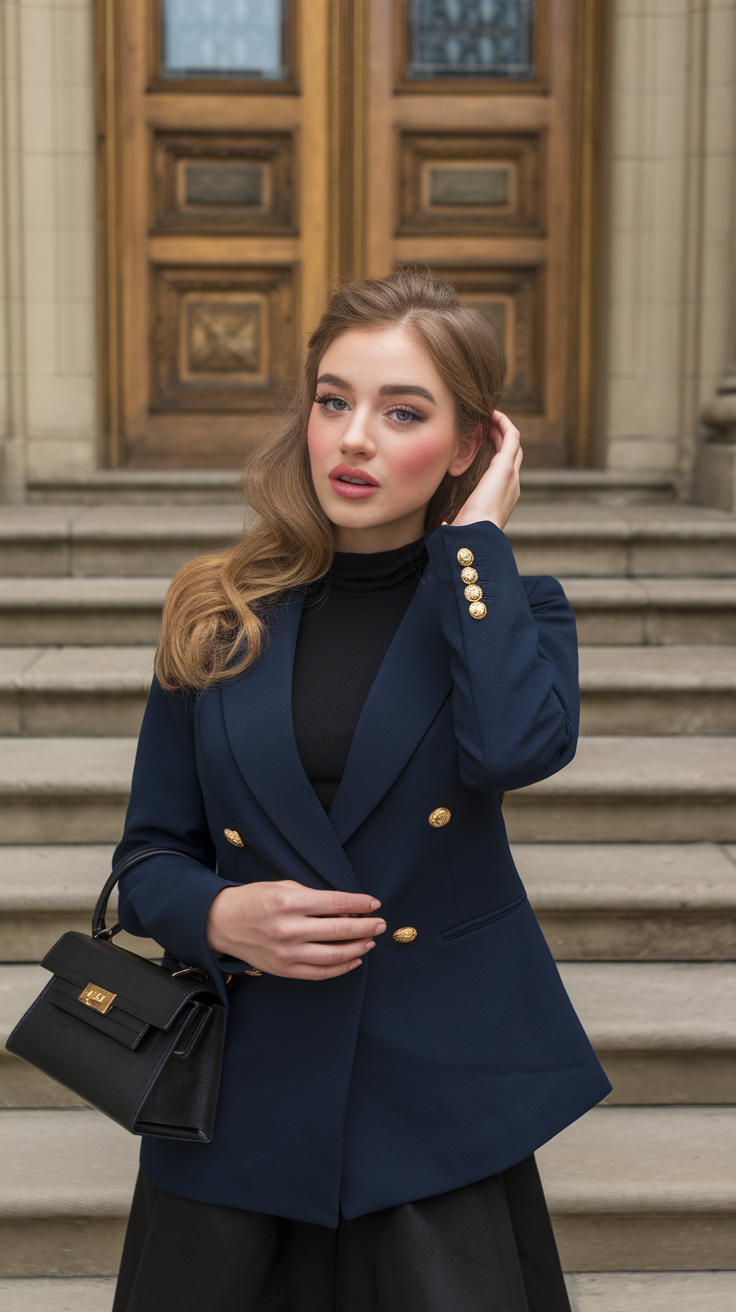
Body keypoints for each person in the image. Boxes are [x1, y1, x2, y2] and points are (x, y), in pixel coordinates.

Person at [111, 271, 610, 1312]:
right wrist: (217, 910)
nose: (352, 438)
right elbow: (148, 856)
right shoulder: (218, 611)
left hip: (432, 1107)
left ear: (472, 446)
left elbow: (515, 750)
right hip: (240, 1101)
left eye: (403, 412)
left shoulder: (511, 615)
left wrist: (474, 546)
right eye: (332, 400)